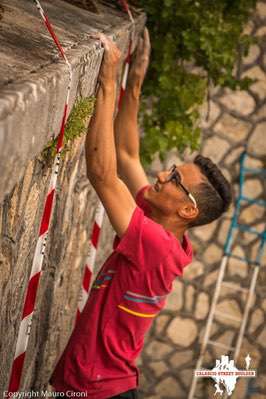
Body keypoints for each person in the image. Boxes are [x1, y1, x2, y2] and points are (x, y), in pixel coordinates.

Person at [50, 29, 232, 399]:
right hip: (103, 386)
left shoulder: (155, 245)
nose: (162, 174)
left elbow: (103, 174)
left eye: (175, 178)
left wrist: (107, 82)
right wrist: (132, 86)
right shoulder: (166, 235)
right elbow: (129, 155)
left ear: (187, 209)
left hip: (97, 390)